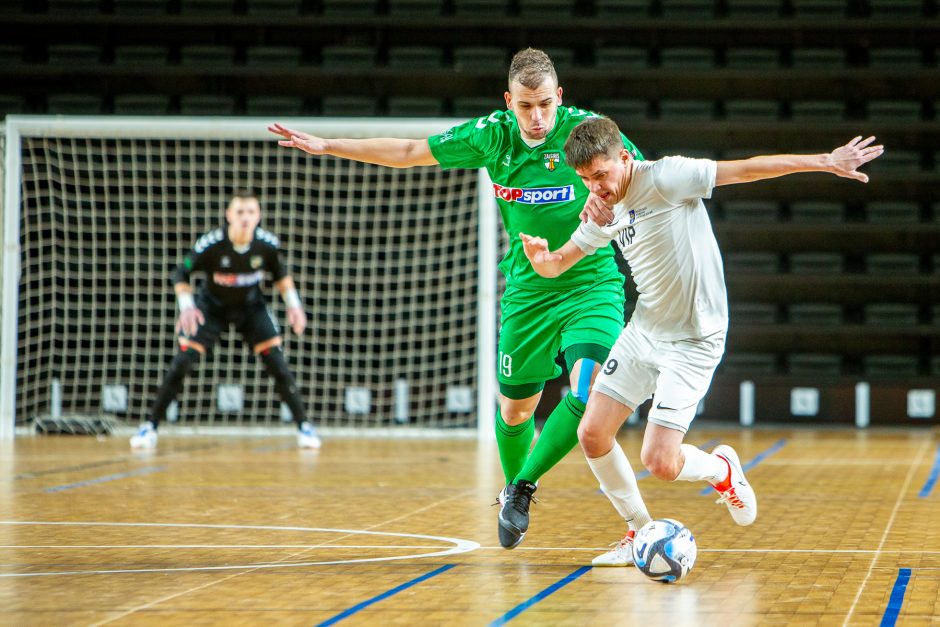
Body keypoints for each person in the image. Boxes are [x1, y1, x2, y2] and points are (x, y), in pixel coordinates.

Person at [269, 48, 646, 549]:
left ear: (560, 97)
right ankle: (517, 484)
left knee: (586, 389)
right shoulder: (491, 136)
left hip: (590, 281)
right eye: (525, 106)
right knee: (515, 411)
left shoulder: (589, 134)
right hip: (527, 291)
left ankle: (521, 488)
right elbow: (408, 152)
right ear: (509, 101)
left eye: (545, 106)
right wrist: (331, 145)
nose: (536, 118)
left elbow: (644, 177)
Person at [521, 117, 883, 566]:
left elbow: (748, 168)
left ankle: (722, 470)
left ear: (624, 158)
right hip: (645, 331)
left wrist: (826, 162)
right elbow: (560, 263)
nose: (595, 187)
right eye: (585, 180)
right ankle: (637, 532)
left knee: (660, 462)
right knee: (592, 434)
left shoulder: (669, 177)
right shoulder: (603, 208)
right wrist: (541, 259)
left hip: (694, 341)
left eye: (600, 175)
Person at [131, 190, 321, 450]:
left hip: (251, 307)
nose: (245, 217)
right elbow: (180, 273)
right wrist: (186, 307)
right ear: (229, 215)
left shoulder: (266, 245)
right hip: (212, 307)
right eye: (240, 212)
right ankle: (149, 427)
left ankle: (305, 427)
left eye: (251, 212)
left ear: (259, 216)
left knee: (277, 363)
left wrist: (295, 307)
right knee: (182, 362)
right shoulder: (212, 244)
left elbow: (282, 277)